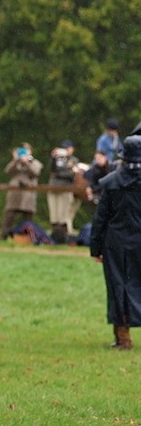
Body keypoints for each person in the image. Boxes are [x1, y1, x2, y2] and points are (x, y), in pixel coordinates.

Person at [89, 135, 141, 350]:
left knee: (118, 286)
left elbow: (101, 217)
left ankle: (123, 338)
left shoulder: (111, 183)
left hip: (115, 242)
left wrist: (95, 247)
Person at [0, 143, 42, 240]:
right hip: (14, 195)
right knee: (9, 217)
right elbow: (8, 171)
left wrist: (27, 163)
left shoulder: (35, 163)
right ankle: (3, 237)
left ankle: (28, 239)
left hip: (28, 195)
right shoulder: (15, 163)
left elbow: (35, 173)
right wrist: (15, 160)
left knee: (28, 219)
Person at [46, 140, 79, 244]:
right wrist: (53, 158)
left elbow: (71, 175)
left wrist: (60, 174)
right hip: (53, 187)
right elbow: (51, 171)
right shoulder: (57, 159)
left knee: (63, 215)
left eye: (68, 148)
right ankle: (55, 238)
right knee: (54, 214)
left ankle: (64, 238)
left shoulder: (74, 160)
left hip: (65, 189)